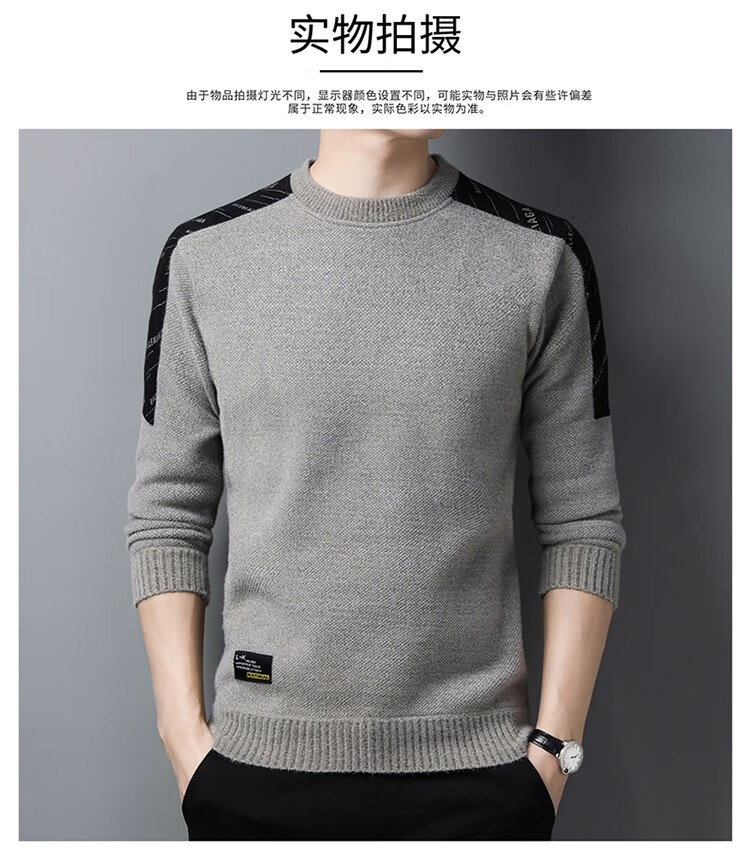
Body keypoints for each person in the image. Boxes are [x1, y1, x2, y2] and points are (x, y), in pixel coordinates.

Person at [124, 129, 626, 840]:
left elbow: (583, 519)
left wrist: (554, 752)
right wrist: (183, 737)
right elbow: (168, 511)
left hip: (481, 776)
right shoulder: (207, 256)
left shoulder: (540, 256)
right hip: (254, 762)